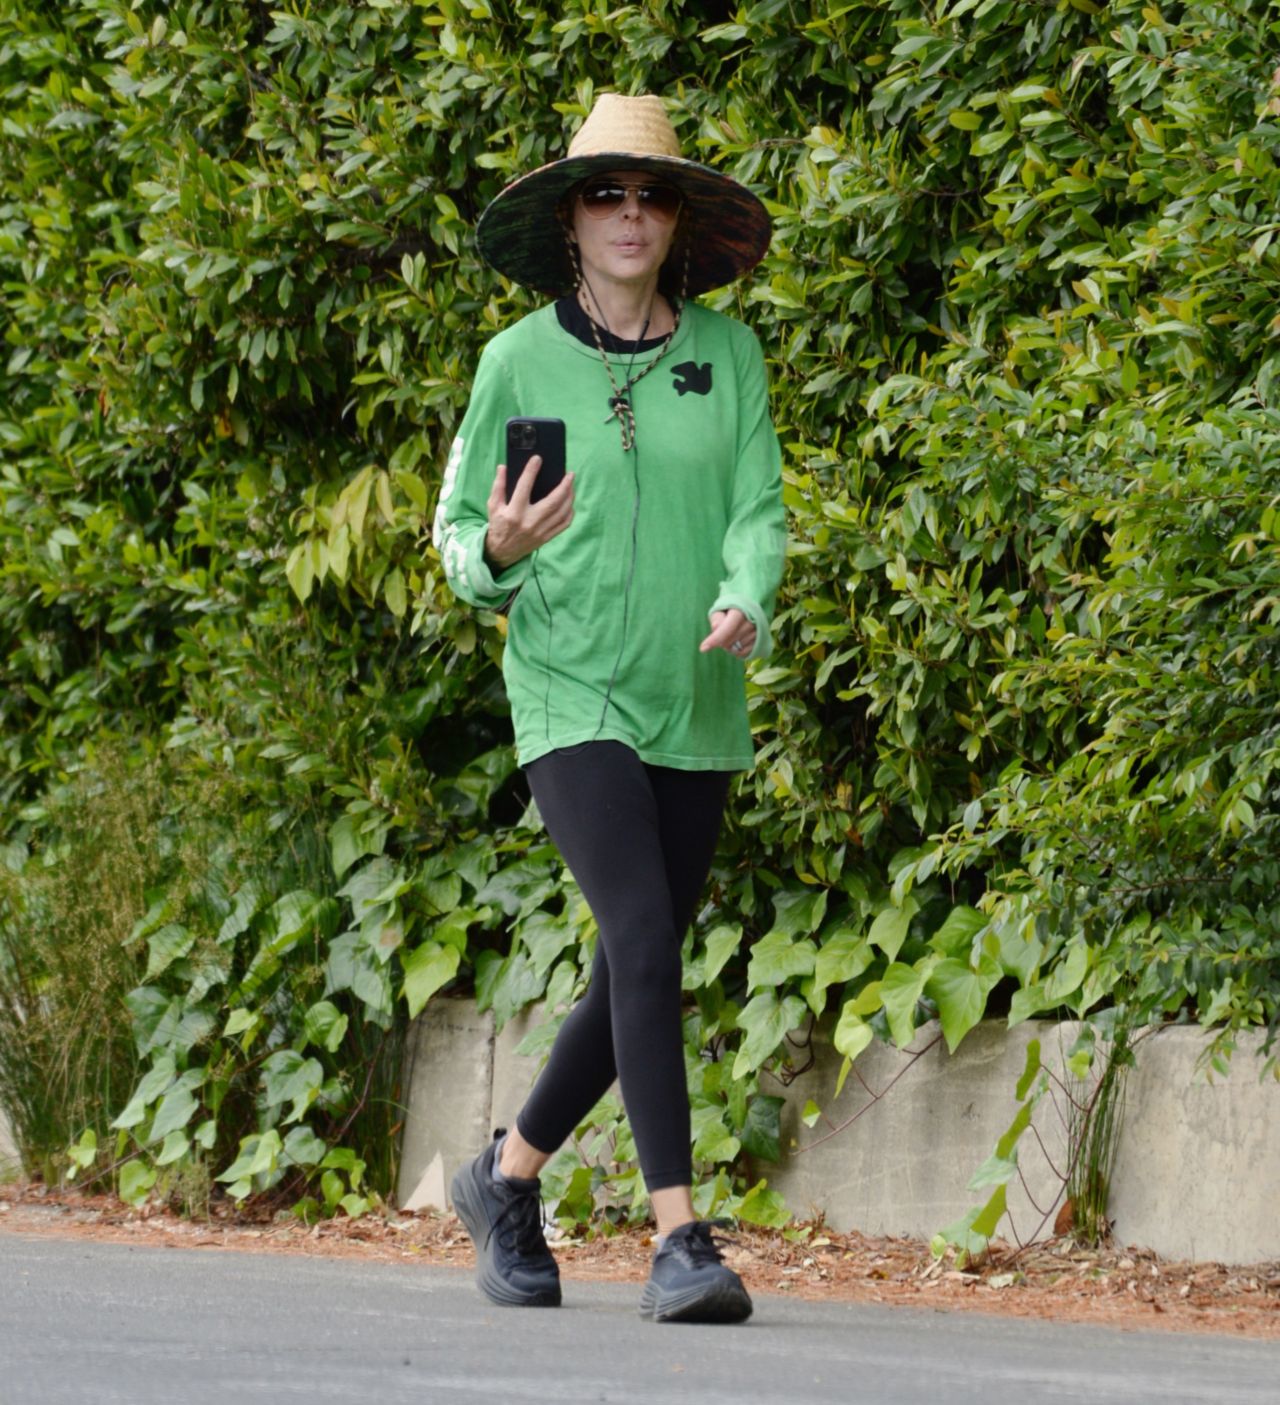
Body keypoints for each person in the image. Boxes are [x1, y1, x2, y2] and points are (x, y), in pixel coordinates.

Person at [433, 92, 785, 1324]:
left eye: (649, 194)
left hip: (693, 690)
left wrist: (746, 599)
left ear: (677, 218)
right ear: (569, 222)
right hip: (567, 685)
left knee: (634, 957)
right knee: (640, 929)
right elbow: (456, 538)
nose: (627, 214)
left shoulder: (727, 356)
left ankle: (504, 1176)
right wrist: (502, 544)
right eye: (603, 193)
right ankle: (678, 1237)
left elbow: (757, 511)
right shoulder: (515, 361)